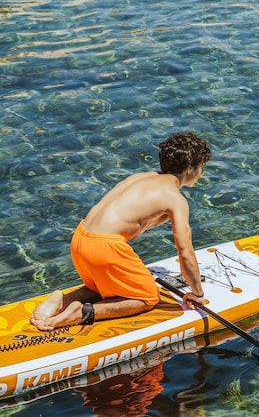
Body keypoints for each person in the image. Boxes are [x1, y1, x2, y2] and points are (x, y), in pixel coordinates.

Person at [30, 131, 211, 331]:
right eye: (202, 167)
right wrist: (197, 294)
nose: (202, 173)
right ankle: (82, 312)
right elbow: (185, 253)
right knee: (147, 297)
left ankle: (62, 300)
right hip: (103, 247)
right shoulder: (175, 200)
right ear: (189, 168)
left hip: (80, 238)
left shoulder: (140, 177)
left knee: (107, 287)